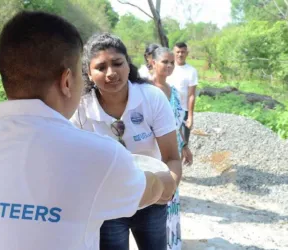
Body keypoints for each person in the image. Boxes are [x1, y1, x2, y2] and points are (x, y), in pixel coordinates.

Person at [0, 11, 175, 250]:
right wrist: (164, 180)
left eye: (118, 64)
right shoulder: (99, 155)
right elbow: (156, 187)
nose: (111, 73)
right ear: (67, 81)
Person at [71, 33, 182, 250]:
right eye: (101, 67)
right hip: (107, 203)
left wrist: (168, 186)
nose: (111, 73)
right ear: (88, 73)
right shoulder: (80, 109)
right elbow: (75, 165)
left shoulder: (152, 98)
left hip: (151, 196)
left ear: (128, 65)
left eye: (117, 63)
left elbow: (171, 158)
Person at [151, 46, 194, 250]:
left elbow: (180, 121)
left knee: (171, 196)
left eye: (171, 62)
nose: (168, 66)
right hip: (152, 153)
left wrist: (185, 144)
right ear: (153, 63)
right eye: (164, 62)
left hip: (172, 154)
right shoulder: (146, 91)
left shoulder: (174, 92)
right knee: (154, 198)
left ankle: (171, 243)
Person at [167, 42, 198, 143]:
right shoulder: (167, 68)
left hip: (183, 112)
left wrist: (190, 116)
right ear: (174, 53)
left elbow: (191, 95)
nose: (180, 54)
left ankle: (184, 158)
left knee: (183, 142)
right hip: (166, 110)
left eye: (183, 52)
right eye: (178, 52)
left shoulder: (191, 71)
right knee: (168, 141)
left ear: (187, 53)